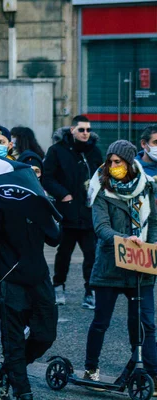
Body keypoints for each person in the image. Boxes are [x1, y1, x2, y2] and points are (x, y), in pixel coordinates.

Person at [0, 180, 60, 400]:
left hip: (40, 280)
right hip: (12, 280)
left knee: (45, 335)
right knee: (14, 341)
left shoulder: (38, 203)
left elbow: (55, 238)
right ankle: (23, 391)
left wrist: (48, 210)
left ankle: (6, 370)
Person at [83, 140, 157, 384]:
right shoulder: (101, 190)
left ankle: (150, 372)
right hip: (110, 266)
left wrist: (152, 245)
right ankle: (91, 367)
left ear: (129, 163)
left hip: (141, 265)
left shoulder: (147, 187)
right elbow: (101, 227)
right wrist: (125, 239)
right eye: (110, 161)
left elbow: (154, 223)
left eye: (118, 162)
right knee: (101, 321)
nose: (112, 166)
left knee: (145, 323)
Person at [43, 115, 102, 309]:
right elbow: (47, 178)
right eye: (82, 130)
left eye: (88, 130)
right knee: (64, 253)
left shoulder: (94, 152)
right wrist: (63, 194)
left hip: (88, 212)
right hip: (67, 213)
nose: (86, 133)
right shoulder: (57, 151)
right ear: (72, 130)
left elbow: (102, 176)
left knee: (91, 254)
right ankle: (58, 286)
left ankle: (91, 290)